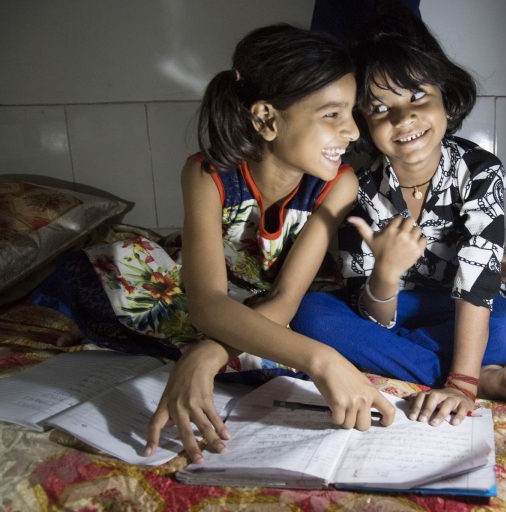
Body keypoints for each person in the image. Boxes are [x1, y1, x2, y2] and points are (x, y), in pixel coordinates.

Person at [32, 24, 396, 464]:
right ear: (266, 119)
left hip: (274, 305)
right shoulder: (206, 175)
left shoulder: (339, 184)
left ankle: (202, 351)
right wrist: (324, 363)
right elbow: (206, 301)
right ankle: (224, 345)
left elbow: (284, 297)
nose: (353, 132)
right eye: (331, 115)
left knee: (300, 326)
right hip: (209, 296)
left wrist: (208, 353)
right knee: (118, 261)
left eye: (350, 114)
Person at [291, 4, 506, 427]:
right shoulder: (357, 184)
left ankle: (455, 369)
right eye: (379, 108)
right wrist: (387, 273)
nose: (403, 117)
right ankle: (474, 374)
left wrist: (458, 387)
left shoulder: (481, 171)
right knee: (311, 314)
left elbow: (477, 285)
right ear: (363, 123)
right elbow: (372, 314)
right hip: (396, 309)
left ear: (447, 99)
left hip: (459, 307)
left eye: (417, 97)